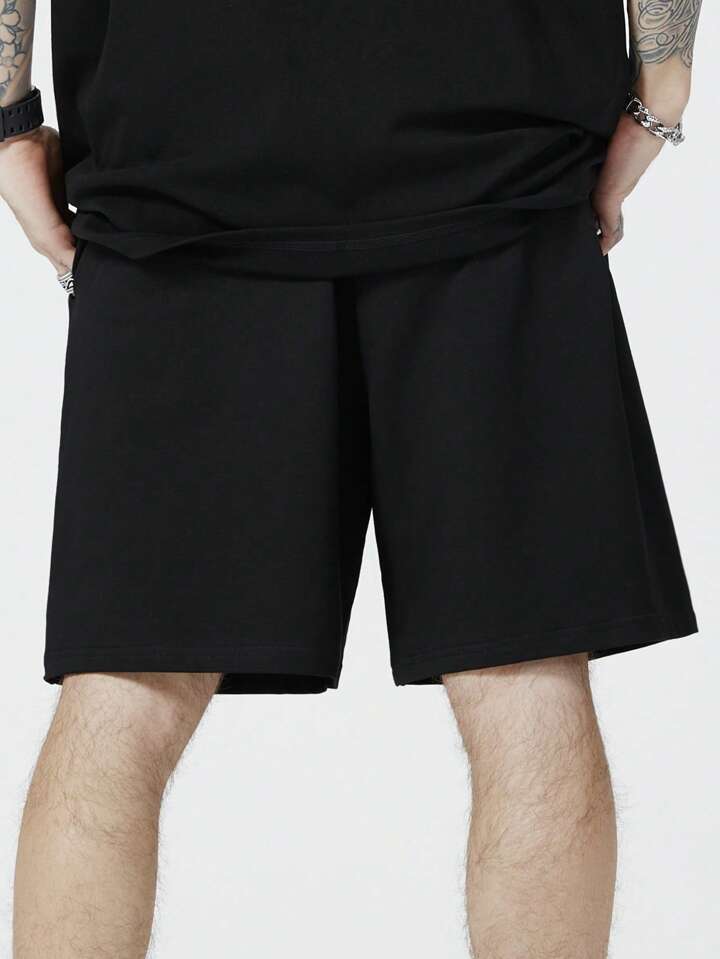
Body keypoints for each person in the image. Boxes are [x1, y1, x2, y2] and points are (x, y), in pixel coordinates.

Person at [1, 0, 703, 955]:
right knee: (524, 679)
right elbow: (661, 64)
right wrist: (662, 77)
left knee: (125, 691)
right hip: (494, 130)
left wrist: (7, 114)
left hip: (180, 143)